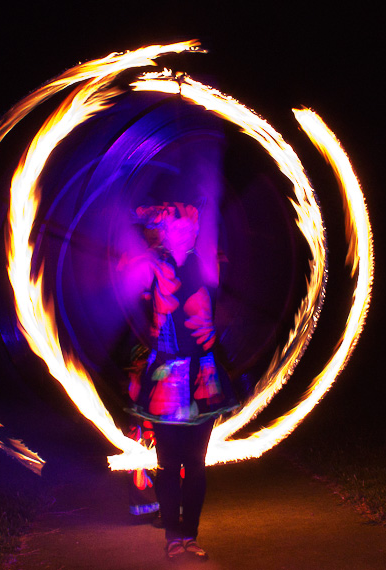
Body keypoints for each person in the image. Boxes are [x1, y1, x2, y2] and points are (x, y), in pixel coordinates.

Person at [127, 202, 239, 560]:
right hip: (166, 379)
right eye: (177, 228)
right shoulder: (152, 266)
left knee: (195, 464)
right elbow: (133, 290)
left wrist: (210, 326)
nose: (185, 234)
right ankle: (173, 537)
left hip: (202, 377)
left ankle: (189, 534)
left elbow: (212, 314)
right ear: (165, 232)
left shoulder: (203, 268)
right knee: (167, 463)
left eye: (190, 229)